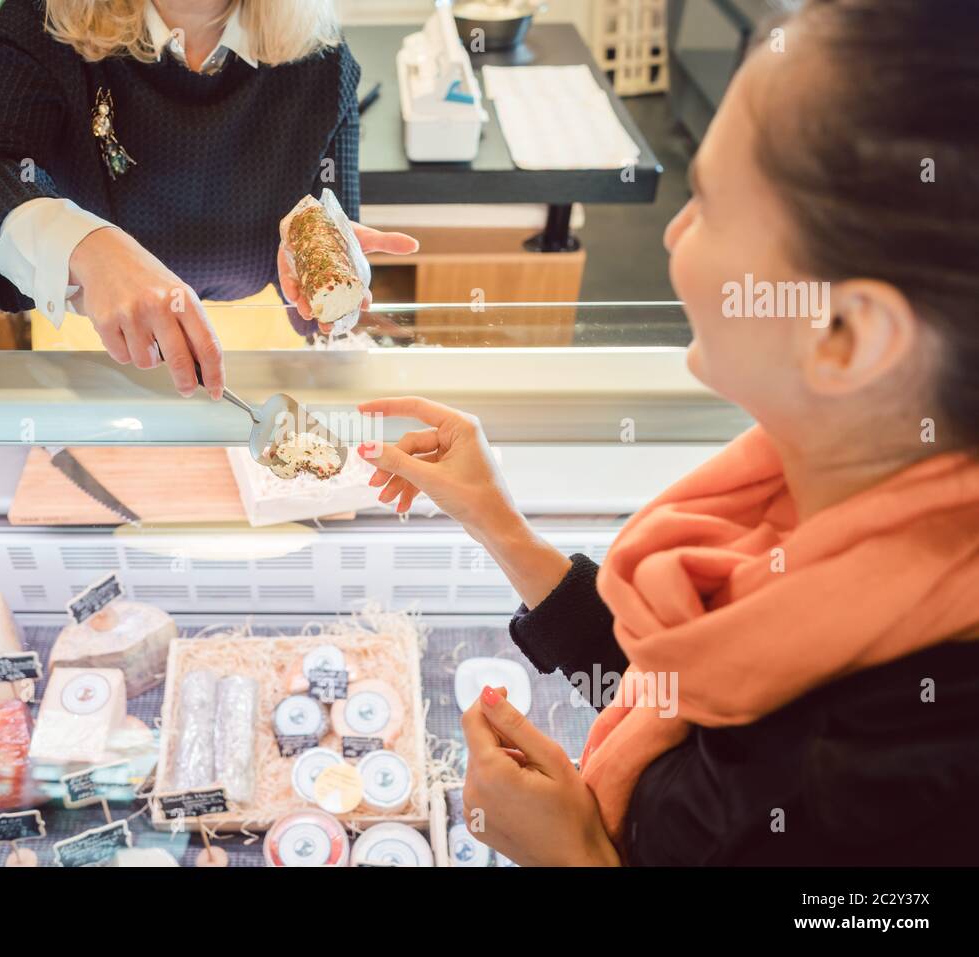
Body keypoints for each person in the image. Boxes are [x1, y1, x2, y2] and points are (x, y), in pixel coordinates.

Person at [357, 0, 979, 865]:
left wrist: (573, 855)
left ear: (845, 336)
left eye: (710, 203)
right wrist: (501, 527)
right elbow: (688, 691)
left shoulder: (895, 781)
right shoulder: (840, 488)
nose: (673, 233)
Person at [0, 0, 417, 398]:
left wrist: (327, 290)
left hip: (250, 358)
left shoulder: (322, 60)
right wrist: (89, 246)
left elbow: (323, 304)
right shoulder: (40, 23)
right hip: (96, 354)